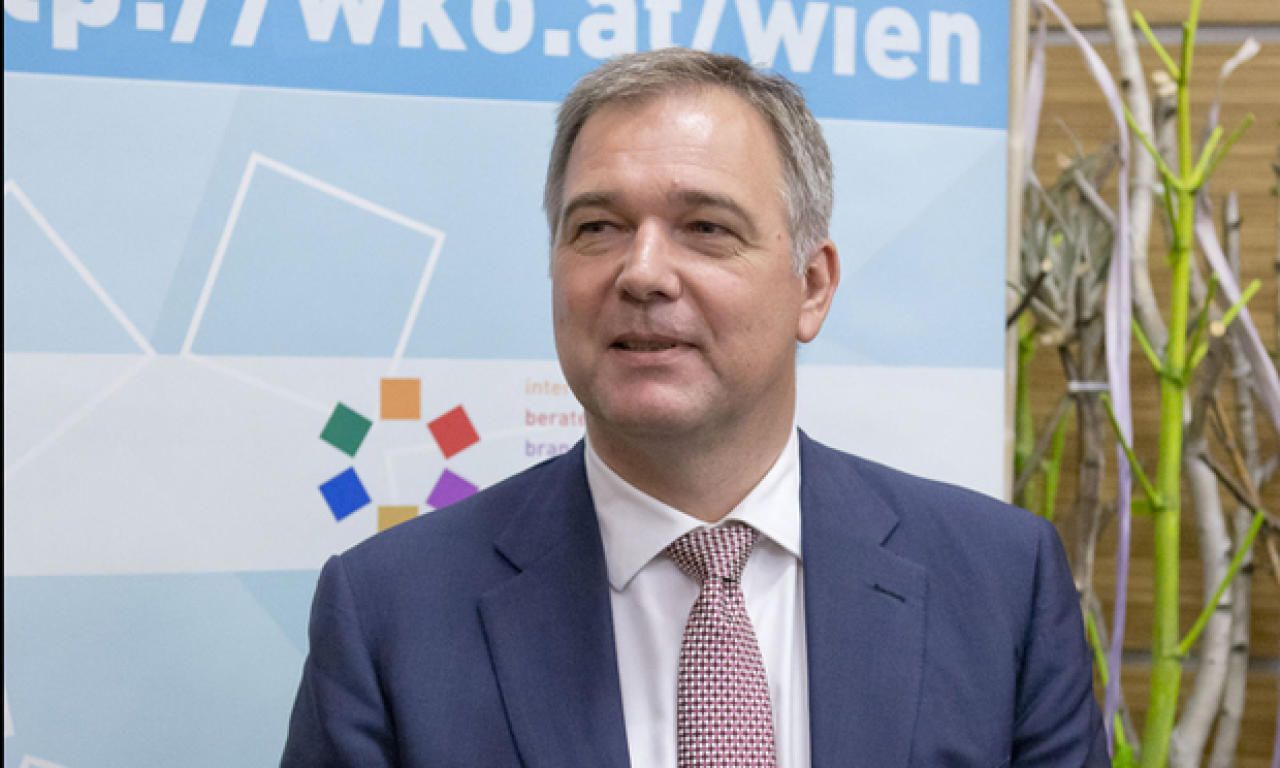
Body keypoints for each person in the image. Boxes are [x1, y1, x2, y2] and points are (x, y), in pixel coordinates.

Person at [282, 49, 1108, 767]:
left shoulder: (1001, 584)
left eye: (706, 228)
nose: (642, 272)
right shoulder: (390, 613)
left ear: (811, 287)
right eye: (597, 228)